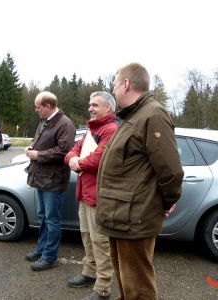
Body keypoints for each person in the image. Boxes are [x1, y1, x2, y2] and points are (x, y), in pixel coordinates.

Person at [96, 63, 184, 300]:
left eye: (114, 84)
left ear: (126, 84)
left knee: (139, 288)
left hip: (134, 216)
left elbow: (171, 171)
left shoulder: (152, 116)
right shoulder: (133, 116)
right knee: (127, 284)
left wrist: (165, 202)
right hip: (121, 214)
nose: (113, 90)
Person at [64, 92, 118, 300]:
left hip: (99, 195)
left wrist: (77, 162)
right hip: (85, 192)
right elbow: (73, 150)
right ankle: (89, 273)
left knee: (100, 241)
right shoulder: (91, 129)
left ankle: (103, 287)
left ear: (108, 108)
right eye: (89, 104)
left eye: (95, 105)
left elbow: (98, 160)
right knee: (87, 236)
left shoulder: (110, 130)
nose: (90, 108)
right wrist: (72, 159)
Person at [24, 91, 75, 271]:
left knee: (52, 219)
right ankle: (42, 249)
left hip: (53, 180)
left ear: (48, 106)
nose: (36, 110)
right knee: (43, 217)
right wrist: (32, 146)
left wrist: (38, 155)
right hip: (42, 178)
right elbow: (41, 142)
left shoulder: (65, 124)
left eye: (38, 107)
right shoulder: (45, 122)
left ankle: (49, 256)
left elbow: (64, 151)